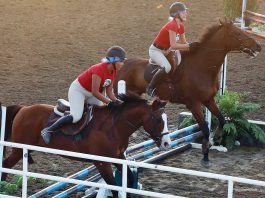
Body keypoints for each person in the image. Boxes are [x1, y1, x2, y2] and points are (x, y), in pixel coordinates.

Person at [41, 46, 127, 144]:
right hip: (78, 91)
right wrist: (109, 102)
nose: (123, 64)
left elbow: (109, 92)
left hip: (91, 94)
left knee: (102, 111)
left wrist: (117, 102)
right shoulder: (99, 69)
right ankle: (48, 130)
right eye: (121, 61)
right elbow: (95, 92)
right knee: (76, 116)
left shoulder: (114, 71)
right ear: (113, 61)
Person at [147, 2, 199, 96]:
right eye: (183, 12)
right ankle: (150, 86)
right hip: (156, 51)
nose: (185, 13)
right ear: (176, 14)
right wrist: (189, 46)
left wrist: (194, 49)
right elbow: (174, 45)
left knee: (180, 61)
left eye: (185, 12)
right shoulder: (172, 25)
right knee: (167, 67)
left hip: (167, 50)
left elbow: (184, 43)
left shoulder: (181, 26)